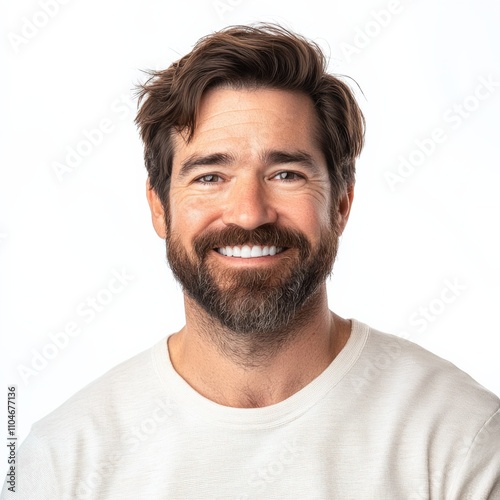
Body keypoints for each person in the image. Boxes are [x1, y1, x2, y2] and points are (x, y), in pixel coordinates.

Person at [3, 23, 499, 500]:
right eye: (209, 176)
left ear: (342, 204)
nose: (249, 213)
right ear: (159, 206)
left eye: (285, 174)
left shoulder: (462, 440)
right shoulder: (60, 463)